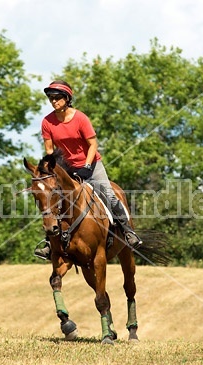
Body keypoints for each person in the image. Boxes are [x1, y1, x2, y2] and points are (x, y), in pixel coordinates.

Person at [34, 80, 142, 260]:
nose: (53, 101)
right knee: (54, 201)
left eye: (57, 97)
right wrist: (53, 170)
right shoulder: (47, 122)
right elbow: (50, 151)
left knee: (109, 194)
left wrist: (86, 167)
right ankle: (48, 243)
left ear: (67, 98)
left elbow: (93, 145)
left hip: (91, 165)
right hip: (65, 168)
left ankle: (128, 232)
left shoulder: (81, 119)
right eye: (50, 98)